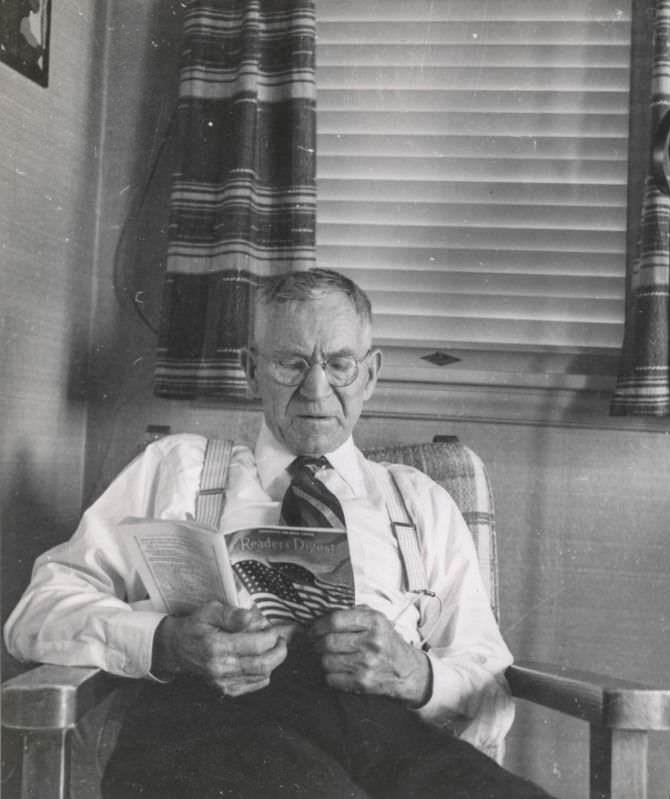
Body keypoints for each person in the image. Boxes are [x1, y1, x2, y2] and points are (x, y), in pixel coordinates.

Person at [4, 268, 551, 799]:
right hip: (209, 728)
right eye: (291, 363)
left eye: (339, 364)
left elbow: (493, 694)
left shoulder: (420, 501)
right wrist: (165, 642)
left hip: (385, 737)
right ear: (251, 370)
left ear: (371, 374)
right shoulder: (176, 468)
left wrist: (415, 675)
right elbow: (36, 615)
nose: (316, 390)